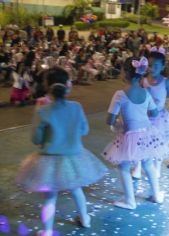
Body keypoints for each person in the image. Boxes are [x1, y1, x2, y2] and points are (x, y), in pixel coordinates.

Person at [16, 67, 107, 236]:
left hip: (49, 160)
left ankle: (48, 231)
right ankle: (85, 219)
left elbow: (36, 139)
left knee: (50, 197)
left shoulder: (43, 110)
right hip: (74, 157)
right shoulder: (76, 107)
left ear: (46, 85)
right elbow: (84, 130)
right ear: (67, 85)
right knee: (76, 189)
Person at [102, 56, 168, 209]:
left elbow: (109, 119)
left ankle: (130, 200)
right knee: (148, 164)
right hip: (147, 133)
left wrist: (118, 123)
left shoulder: (120, 94)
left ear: (125, 73)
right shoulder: (146, 93)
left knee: (124, 167)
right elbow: (154, 114)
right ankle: (157, 195)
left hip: (129, 135)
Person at [132, 50, 169, 179]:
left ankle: (157, 167)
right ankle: (138, 166)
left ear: (162, 67)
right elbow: (137, 94)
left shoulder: (165, 81)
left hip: (160, 118)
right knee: (141, 143)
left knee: (159, 143)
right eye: (149, 65)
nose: (152, 68)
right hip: (145, 117)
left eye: (156, 66)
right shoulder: (143, 80)